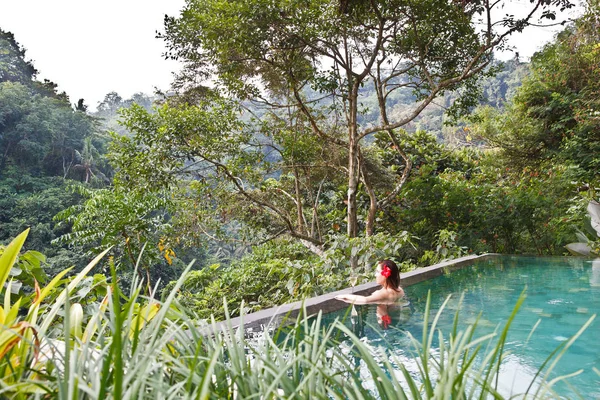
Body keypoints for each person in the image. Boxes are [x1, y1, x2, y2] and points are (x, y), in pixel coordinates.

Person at [335, 259, 405, 304]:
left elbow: (365, 300)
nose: (375, 275)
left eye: (377, 272)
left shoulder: (383, 293)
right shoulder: (399, 290)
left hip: (384, 312)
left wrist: (344, 296)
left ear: (385, 275)